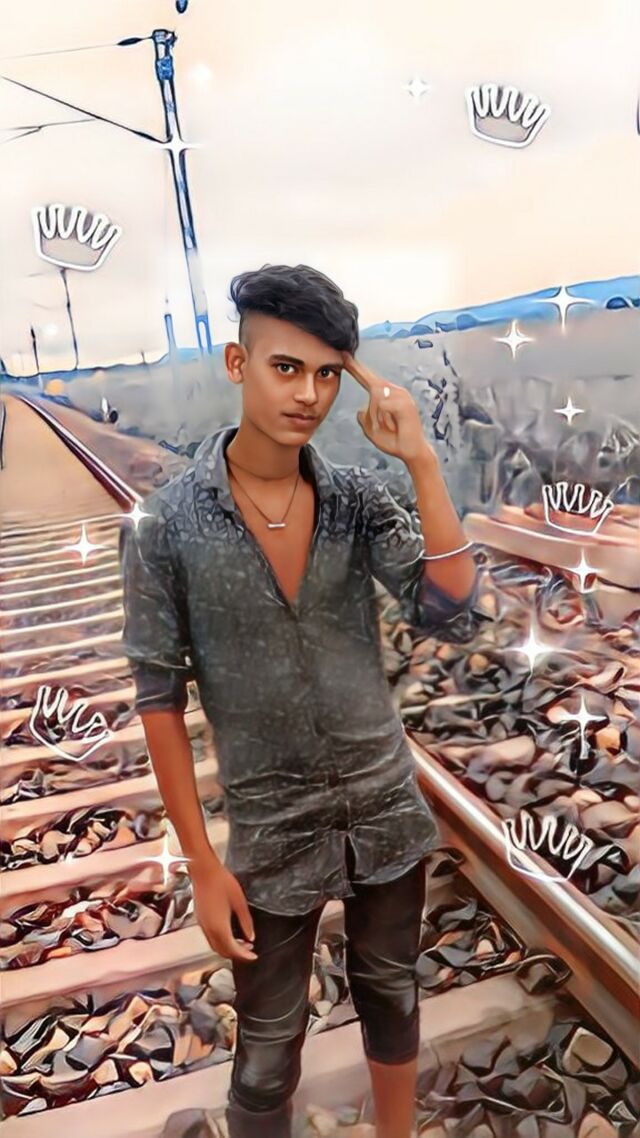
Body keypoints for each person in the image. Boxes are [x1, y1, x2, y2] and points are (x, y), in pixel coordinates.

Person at [120, 264, 478, 1138]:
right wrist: (202, 864)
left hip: (384, 808)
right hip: (272, 828)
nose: (309, 394)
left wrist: (421, 459)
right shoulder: (165, 525)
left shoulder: (357, 500)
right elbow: (158, 697)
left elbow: (450, 611)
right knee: (268, 1046)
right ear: (238, 362)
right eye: (286, 367)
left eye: (327, 374)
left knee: (392, 994)